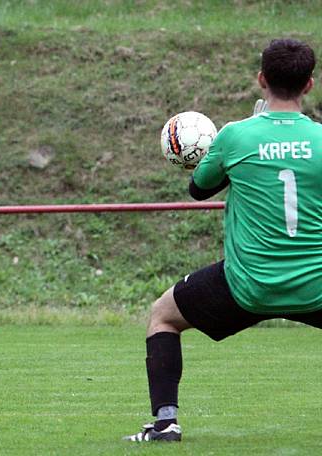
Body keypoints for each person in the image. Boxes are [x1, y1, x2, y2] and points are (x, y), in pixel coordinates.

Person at [126, 38, 322, 442]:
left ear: (261, 79)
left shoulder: (235, 137)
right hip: (315, 284)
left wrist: (238, 156)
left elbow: (199, 189)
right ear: (309, 85)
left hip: (248, 285)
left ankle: (165, 424)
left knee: (163, 316)